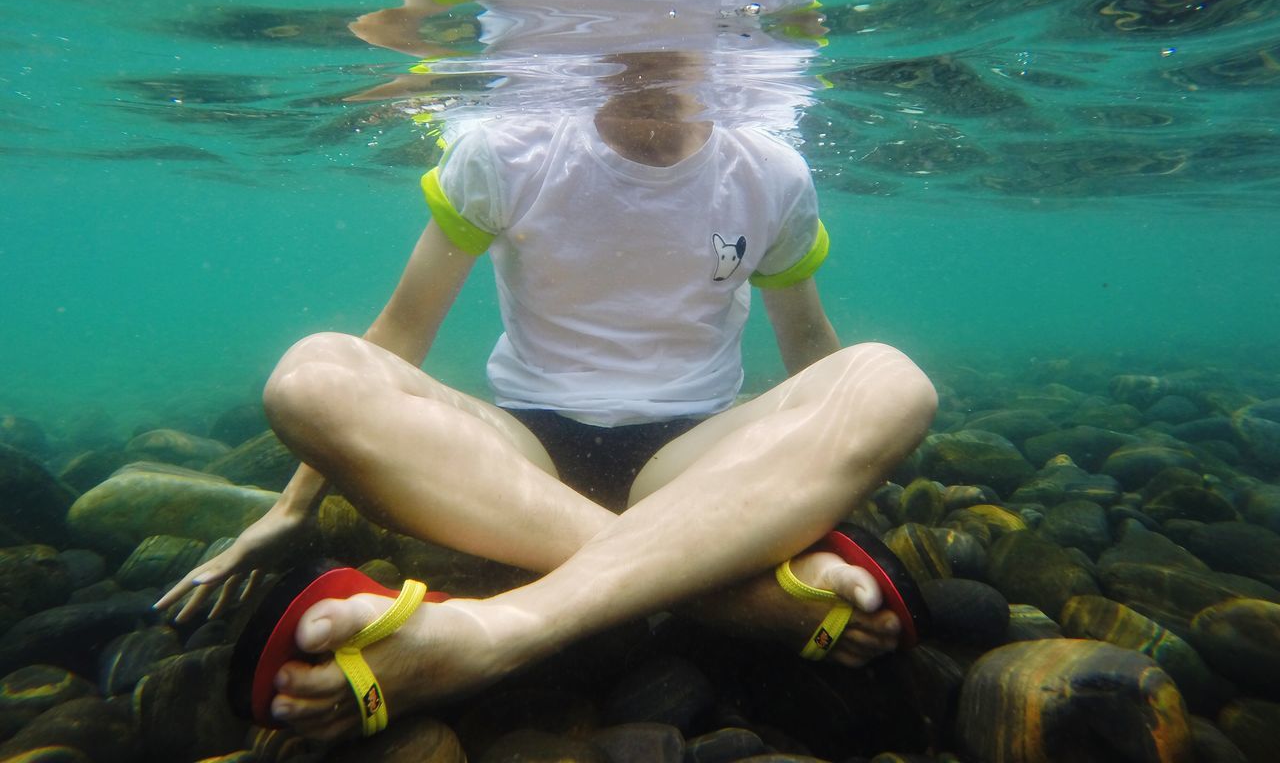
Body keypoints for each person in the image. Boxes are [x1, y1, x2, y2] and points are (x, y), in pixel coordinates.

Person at [156, 44, 936, 743]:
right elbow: (400, 333)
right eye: (620, 35)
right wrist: (293, 507)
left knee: (893, 382)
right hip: (519, 461)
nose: (646, 64)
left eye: (673, 37)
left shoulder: (771, 172)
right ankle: (729, 595)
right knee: (308, 380)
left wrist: (829, 470)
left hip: (693, 458)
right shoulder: (504, 149)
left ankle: (493, 632)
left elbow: (809, 350)